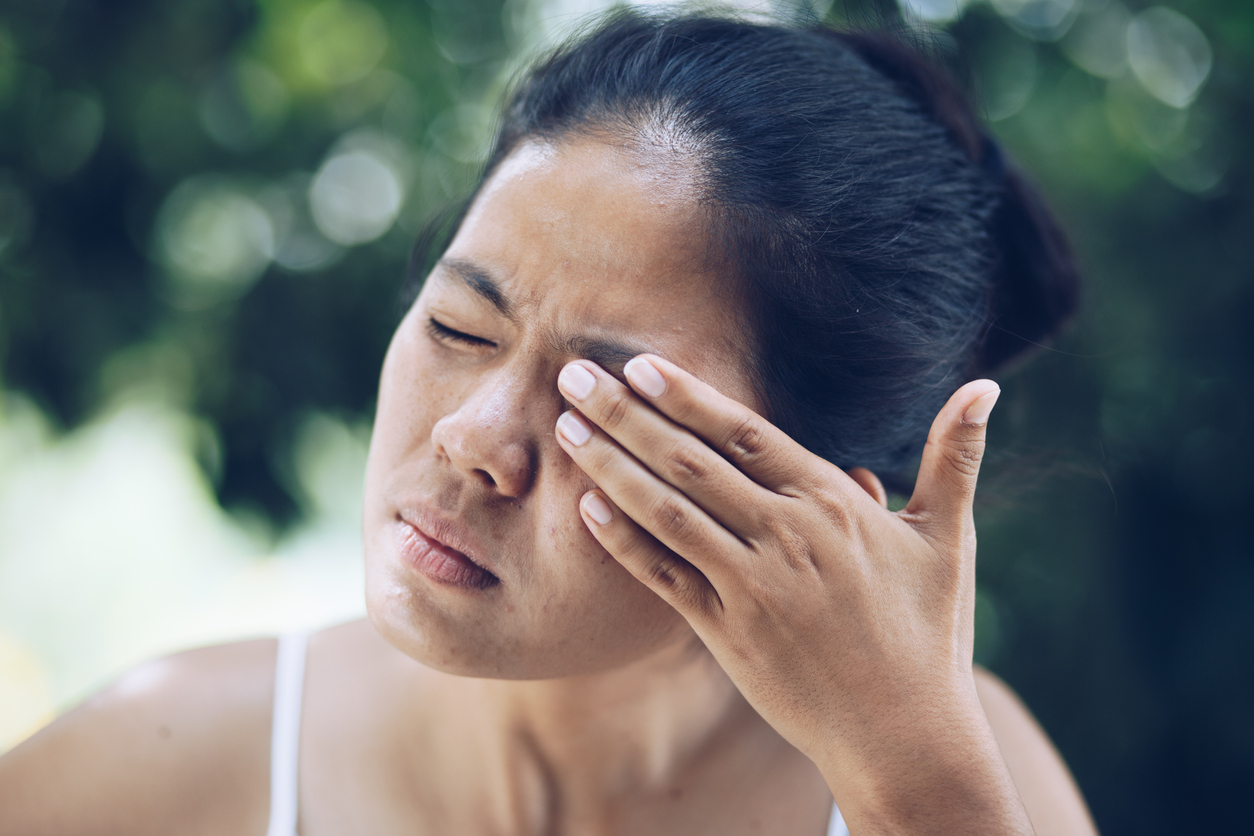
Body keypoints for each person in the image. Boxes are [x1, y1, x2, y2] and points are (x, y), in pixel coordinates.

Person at [0, 10, 1099, 836]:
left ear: (811, 497)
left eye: (601, 408)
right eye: (458, 326)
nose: (473, 439)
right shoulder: (167, 759)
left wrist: (920, 793)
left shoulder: (965, 776)